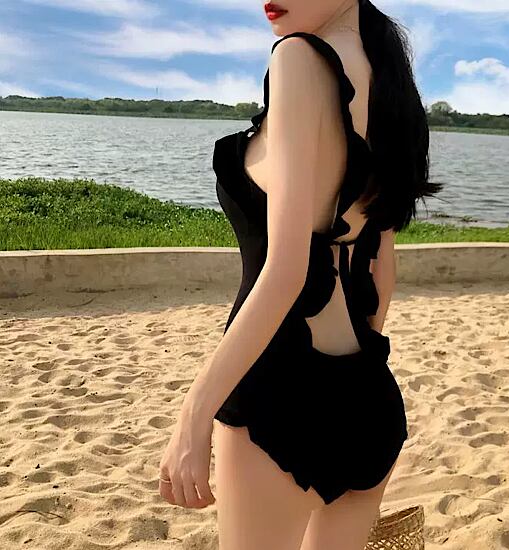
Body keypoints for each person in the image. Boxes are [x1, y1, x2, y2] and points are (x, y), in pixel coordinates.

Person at [159, 1, 442, 548]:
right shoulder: (389, 78)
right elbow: (382, 270)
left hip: (278, 395)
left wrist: (194, 416)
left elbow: (286, 270)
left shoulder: (297, 58)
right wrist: (354, 374)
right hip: (369, 396)